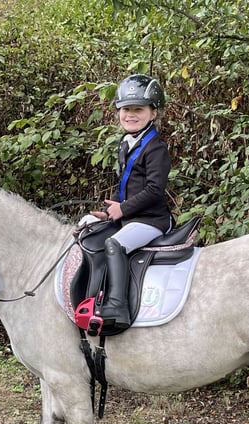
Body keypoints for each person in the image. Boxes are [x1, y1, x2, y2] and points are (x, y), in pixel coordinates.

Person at [89, 74, 175, 329]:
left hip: (152, 220)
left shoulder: (156, 148)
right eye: (126, 109)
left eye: (138, 109)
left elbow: (154, 191)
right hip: (131, 216)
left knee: (115, 244)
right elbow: (126, 187)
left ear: (153, 112)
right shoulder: (126, 143)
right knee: (90, 233)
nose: (130, 115)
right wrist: (110, 209)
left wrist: (123, 209)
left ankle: (118, 307)